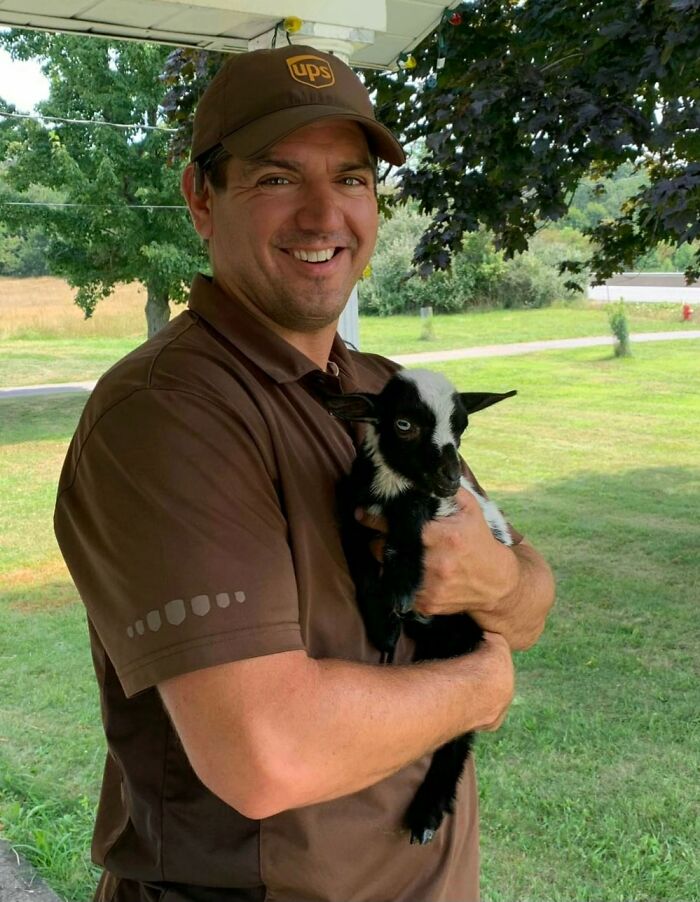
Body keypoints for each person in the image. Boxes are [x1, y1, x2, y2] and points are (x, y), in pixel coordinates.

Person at [54, 44, 555, 902]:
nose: (325, 216)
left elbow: (533, 596)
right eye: (279, 179)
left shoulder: (381, 388)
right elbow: (268, 752)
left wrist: (497, 575)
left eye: (352, 180)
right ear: (201, 199)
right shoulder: (167, 413)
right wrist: (482, 680)